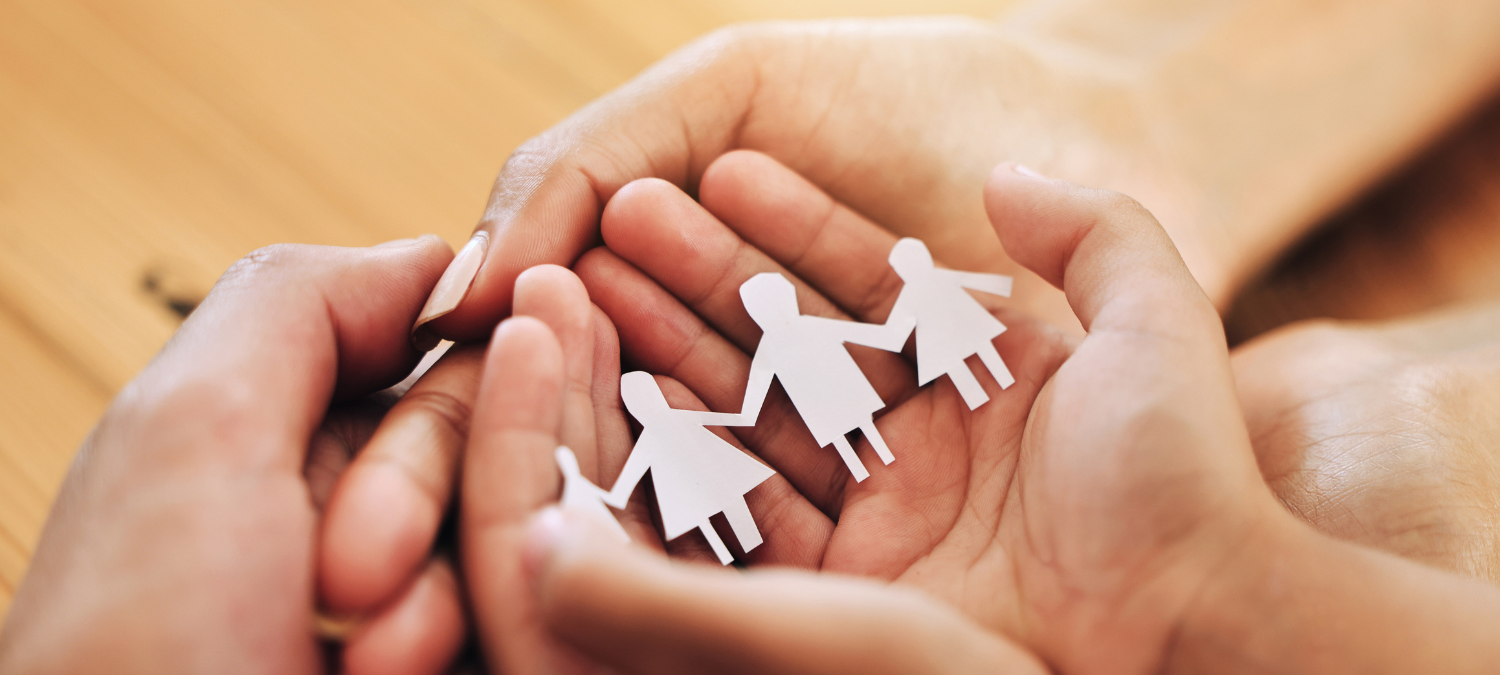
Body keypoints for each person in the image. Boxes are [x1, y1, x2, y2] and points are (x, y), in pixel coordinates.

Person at [8, 159, 1500, 675]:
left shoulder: (887, 319)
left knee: (804, 463)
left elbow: (858, 354)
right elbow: (784, 381)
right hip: (700, 448)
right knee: (748, 489)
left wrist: (1197, 615)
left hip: (776, 421)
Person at [735, 273, 913, 482]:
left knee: (852, 433)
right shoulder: (791, 334)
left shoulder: (770, 346)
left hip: (829, 401)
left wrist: (741, 417)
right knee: (857, 429)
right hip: (839, 395)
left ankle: (867, 469)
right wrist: (894, 332)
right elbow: (863, 334)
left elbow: (756, 391)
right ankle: (871, 466)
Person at [606, 370, 772, 564]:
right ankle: (744, 544)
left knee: (707, 509)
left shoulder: (651, 436)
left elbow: (631, 473)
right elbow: (721, 419)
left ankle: (737, 549)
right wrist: (744, 417)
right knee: (726, 496)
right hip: (708, 471)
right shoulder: (665, 426)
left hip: (694, 480)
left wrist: (614, 495)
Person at [886, 237, 1016, 409]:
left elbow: (969, 279)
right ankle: (977, 398)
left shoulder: (934, 279)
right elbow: (895, 327)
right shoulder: (910, 293)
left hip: (963, 323)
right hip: (942, 336)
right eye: (902, 265)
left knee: (982, 346)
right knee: (957, 362)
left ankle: (1003, 380)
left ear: (924, 258)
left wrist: (1004, 284)